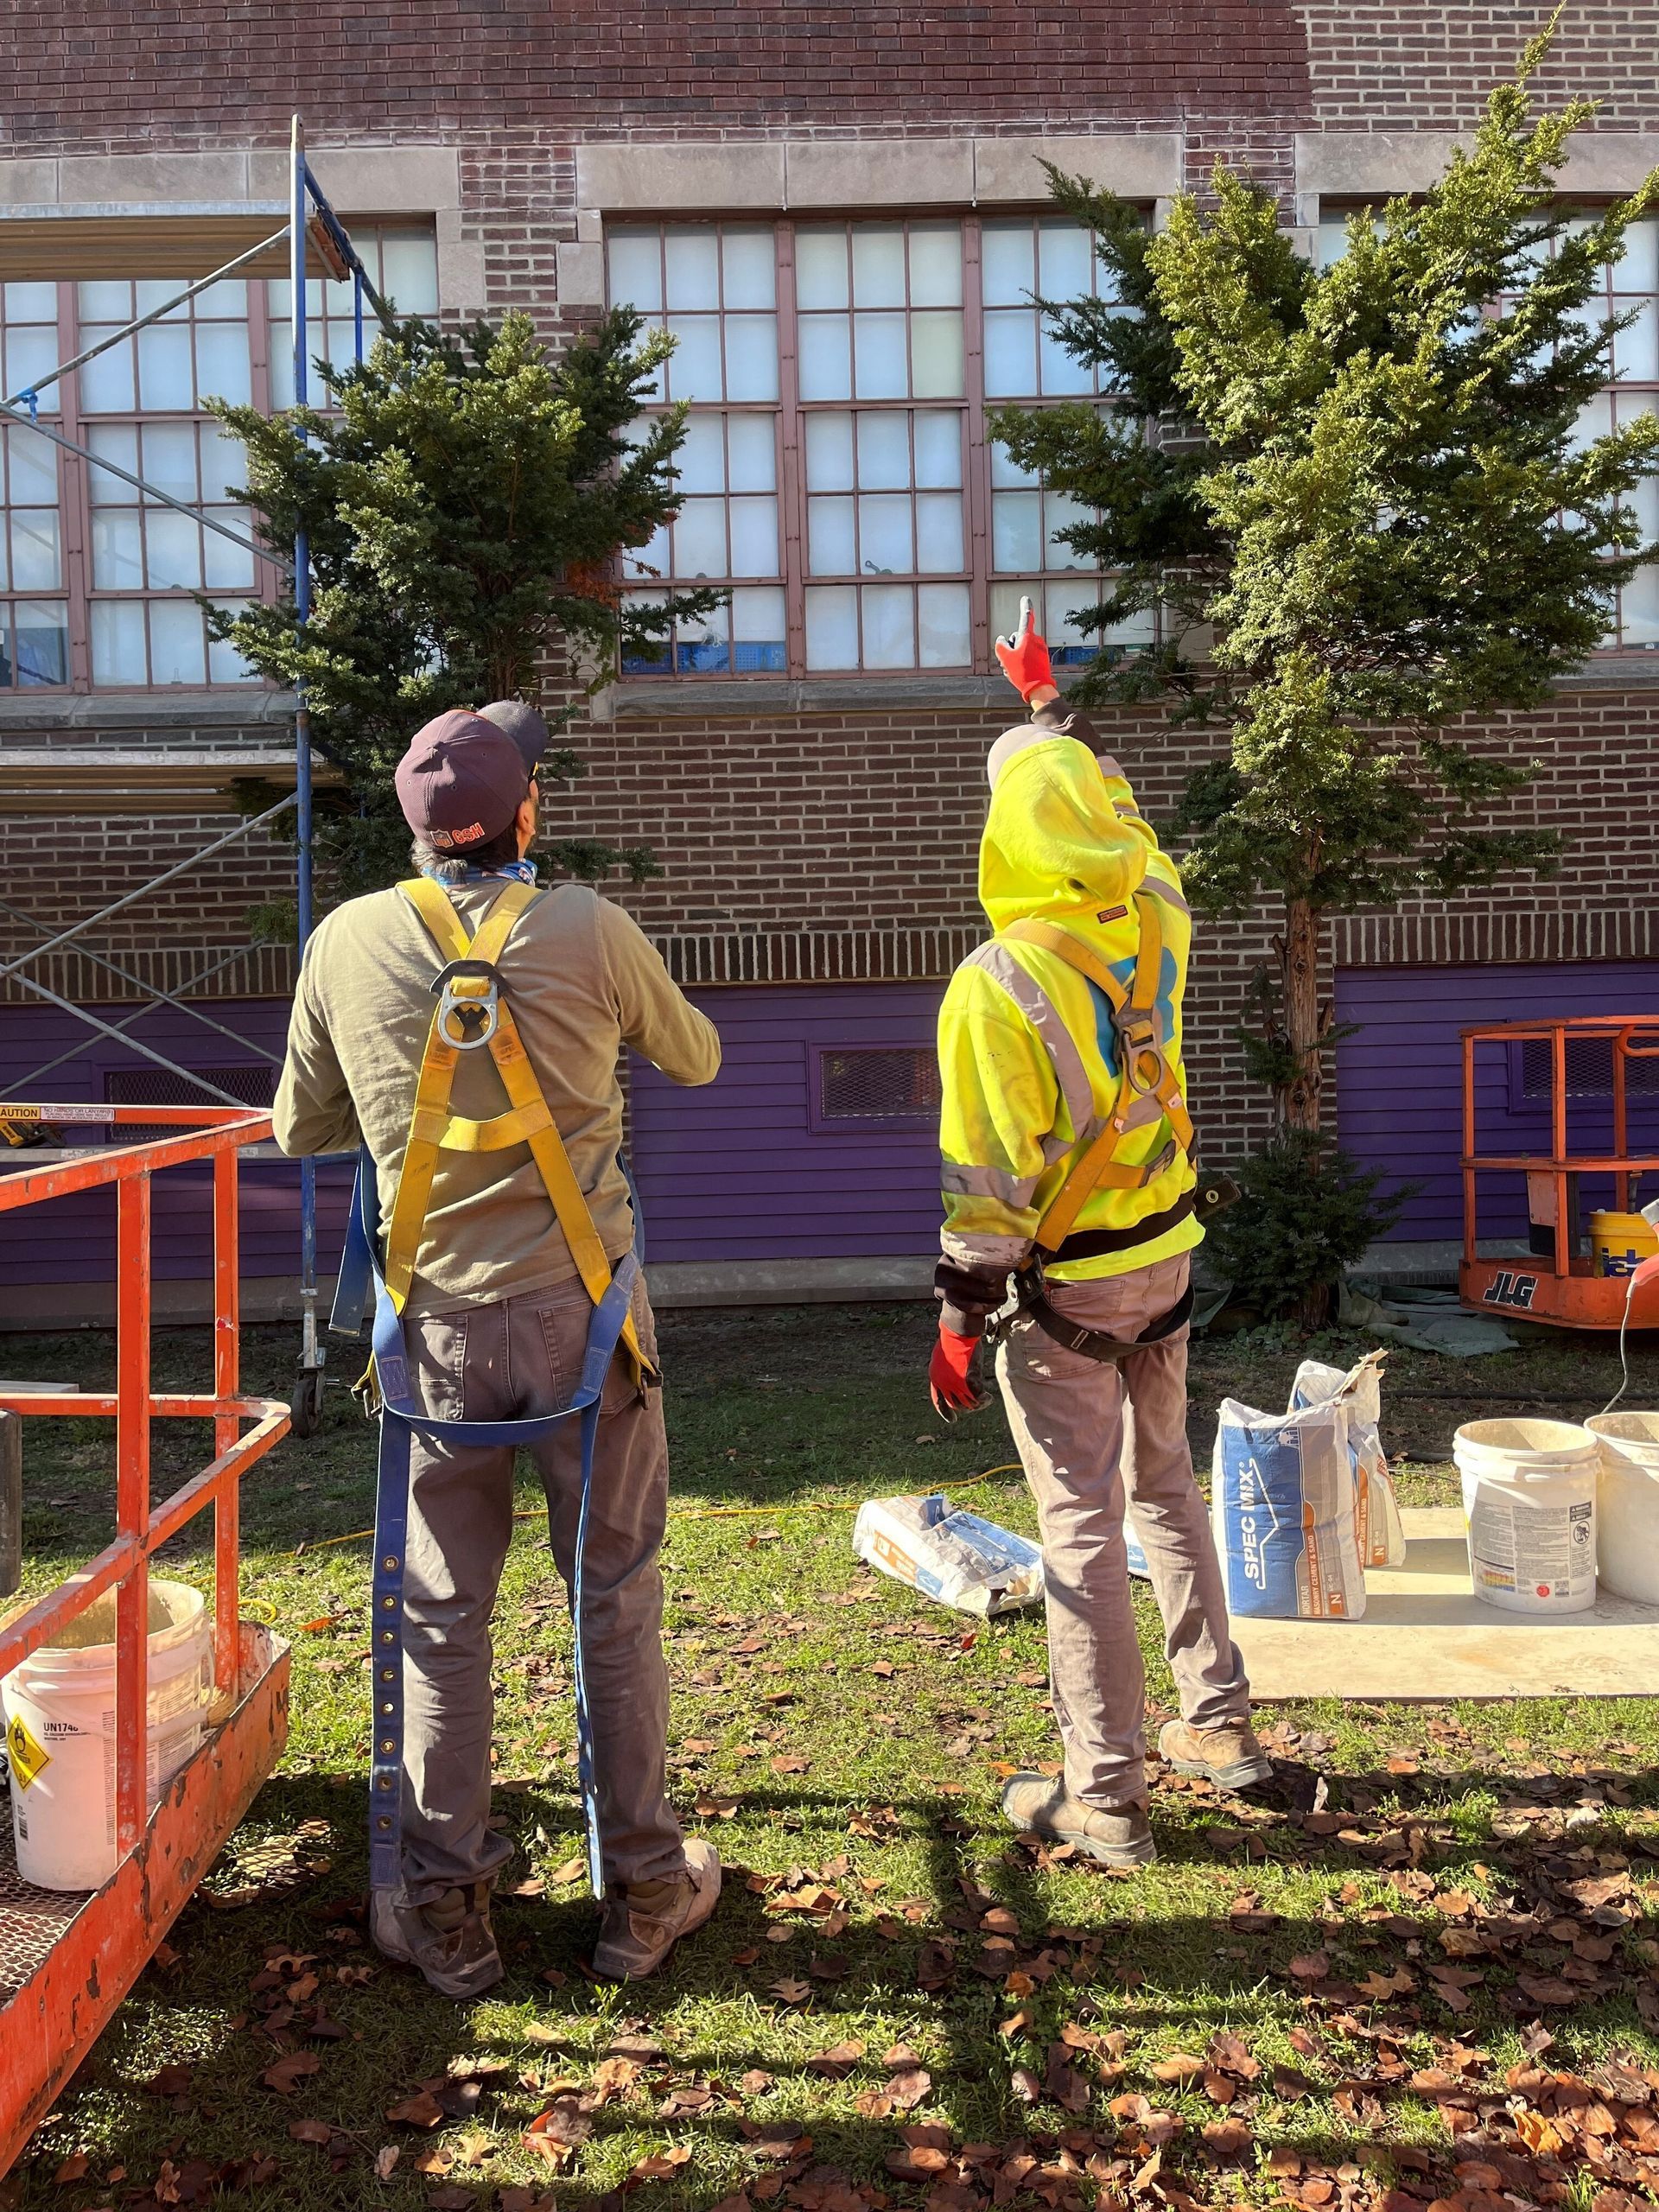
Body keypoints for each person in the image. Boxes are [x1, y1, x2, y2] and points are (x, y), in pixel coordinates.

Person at [274, 704, 723, 1994]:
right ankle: (641, 1896)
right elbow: (692, 1055)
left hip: (436, 1336)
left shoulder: (349, 938)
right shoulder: (587, 925)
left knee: (440, 1618)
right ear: (525, 815)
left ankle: (447, 1915)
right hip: (589, 1328)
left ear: (417, 831)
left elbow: (300, 1125)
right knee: (615, 1603)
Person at [927, 607, 1268, 1868]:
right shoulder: (1157, 917)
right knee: (1166, 1488)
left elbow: (987, 1188)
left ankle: (1105, 1797)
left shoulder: (998, 984)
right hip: (1165, 1258)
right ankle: (1220, 1728)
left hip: (1065, 1289)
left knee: (1078, 1517)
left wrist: (961, 1317)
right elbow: (1132, 829)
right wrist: (1050, 719)